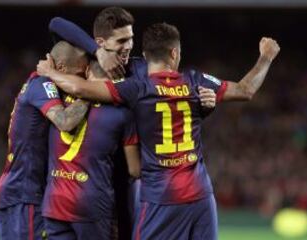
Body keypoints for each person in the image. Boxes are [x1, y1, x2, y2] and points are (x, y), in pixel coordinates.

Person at [36, 22, 280, 239]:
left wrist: (51, 73)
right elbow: (246, 89)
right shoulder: (195, 81)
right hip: (200, 196)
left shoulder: (137, 89)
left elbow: (81, 89)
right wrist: (265, 57)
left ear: (144, 55)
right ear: (174, 53)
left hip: (161, 198)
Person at [48, 8, 218, 239]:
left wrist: (205, 106)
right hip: (95, 180)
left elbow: (173, 101)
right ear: (101, 42)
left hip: (131, 177)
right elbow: (57, 23)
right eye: (122, 40)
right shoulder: (90, 66)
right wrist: (97, 52)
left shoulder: (140, 69)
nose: (129, 45)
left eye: (131, 38)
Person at [0, 41, 90, 240]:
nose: (80, 81)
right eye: (79, 74)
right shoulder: (43, 84)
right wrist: (90, 92)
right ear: (61, 68)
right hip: (23, 194)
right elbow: (65, 121)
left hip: (19, 193)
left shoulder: (36, 85)